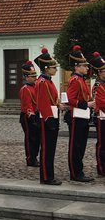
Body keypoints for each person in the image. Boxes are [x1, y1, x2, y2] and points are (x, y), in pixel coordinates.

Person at [65, 45, 94, 183]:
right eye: (84, 66)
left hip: (83, 115)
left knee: (81, 145)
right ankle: (75, 173)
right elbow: (70, 99)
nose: (87, 68)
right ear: (77, 67)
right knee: (75, 145)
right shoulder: (75, 80)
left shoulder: (81, 79)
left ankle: (79, 170)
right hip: (76, 116)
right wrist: (86, 104)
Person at [35, 48, 62, 185]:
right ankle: (46, 177)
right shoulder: (42, 82)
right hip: (47, 119)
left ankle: (49, 175)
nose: (55, 70)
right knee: (46, 149)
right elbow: (42, 103)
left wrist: (58, 105)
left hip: (52, 117)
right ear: (46, 68)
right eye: (53, 68)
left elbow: (52, 100)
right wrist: (48, 119)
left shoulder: (48, 81)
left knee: (51, 149)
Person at [18, 61, 40, 168]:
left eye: (35, 75)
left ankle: (34, 156)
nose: (35, 78)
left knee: (37, 138)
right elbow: (27, 104)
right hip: (28, 117)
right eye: (32, 76)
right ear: (26, 77)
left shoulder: (36, 87)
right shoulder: (25, 89)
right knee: (30, 138)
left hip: (36, 114)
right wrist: (31, 115)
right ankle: (30, 158)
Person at [90, 52, 105, 178]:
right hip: (101, 118)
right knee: (102, 144)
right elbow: (101, 103)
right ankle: (101, 167)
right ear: (100, 72)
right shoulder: (98, 86)